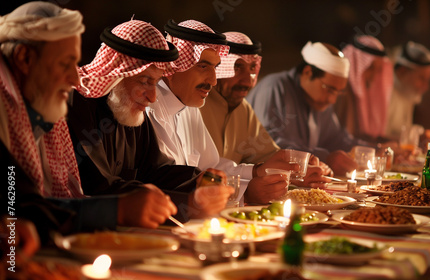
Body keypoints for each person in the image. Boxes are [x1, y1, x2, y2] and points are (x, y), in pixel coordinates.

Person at [0, 2, 178, 246]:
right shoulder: (72, 104)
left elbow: (29, 205)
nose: (76, 78)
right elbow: (21, 208)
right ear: (24, 58)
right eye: (65, 63)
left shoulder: (41, 108)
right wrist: (118, 209)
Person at [68, 19, 233, 222]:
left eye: (155, 83)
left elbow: (154, 171)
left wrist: (197, 180)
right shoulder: (78, 104)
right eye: (145, 82)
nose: (153, 97)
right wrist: (188, 204)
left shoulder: (132, 110)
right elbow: (98, 186)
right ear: (117, 74)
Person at [147, 21, 301, 204]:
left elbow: (210, 168)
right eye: (203, 66)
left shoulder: (189, 105)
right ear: (174, 65)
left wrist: (257, 171)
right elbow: (168, 187)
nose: (213, 81)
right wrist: (244, 195)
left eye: (215, 68)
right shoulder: (149, 108)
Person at [247, 41, 368, 175]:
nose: (332, 99)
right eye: (329, 89)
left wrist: (374, 150)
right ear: (308, 72)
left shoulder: (320, 101)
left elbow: (336, 138)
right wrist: (325, 158)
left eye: (337, 93)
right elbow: (271, 144)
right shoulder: (275, 88)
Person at [200, 31, 280, 165]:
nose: (247, 82)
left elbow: (266, 156)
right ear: (218, 67)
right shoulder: (195, 103)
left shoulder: (243, 108)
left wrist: (299, 165)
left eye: (252, 68)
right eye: (237, 67)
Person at [335, 35, 394, 141]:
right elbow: (344, 139)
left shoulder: (367, 91)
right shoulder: (343, 91)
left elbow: (366, 136)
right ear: (357, 64)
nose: (374, 76)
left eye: (379, 70)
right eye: (370, 68)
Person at [386, 41, 430, 140]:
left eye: (427, 80)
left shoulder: (407, 92)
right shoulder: (386, 93)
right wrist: (416, 138)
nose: (425, 87)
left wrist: (420, 137)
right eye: (421, 78)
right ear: (402, 71)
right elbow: (376, 139)